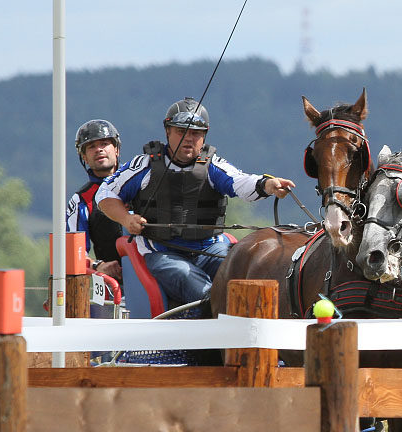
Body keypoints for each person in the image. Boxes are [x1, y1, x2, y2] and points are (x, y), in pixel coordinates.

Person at [95, 97, 295, 304]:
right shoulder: (143, 166)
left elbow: (241, 182)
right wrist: (126, 220)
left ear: (204, 137)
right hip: (163, 251)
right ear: (167, 131)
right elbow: (105, 195)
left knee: (248, 275)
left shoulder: (213, 166)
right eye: (182, 131)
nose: (189, 139)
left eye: (196, 133)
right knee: (196, 285)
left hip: (211, 248)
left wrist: (267, 185)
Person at [67, 119, 124, 279]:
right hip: (113, 286)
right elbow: (73, 253)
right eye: (91, 147)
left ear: (116, 149)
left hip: (153, 275)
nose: (99, 150)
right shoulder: (80, 200)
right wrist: (98, 265)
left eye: (104, 144)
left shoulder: (141, 182)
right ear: (84, 156)